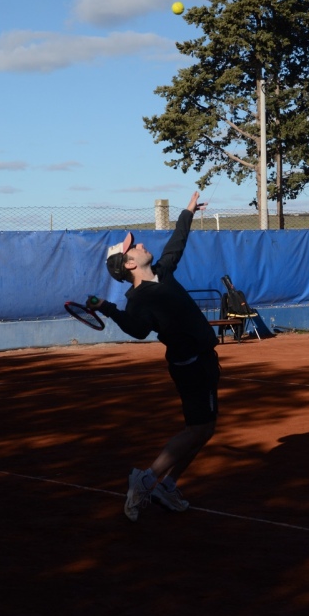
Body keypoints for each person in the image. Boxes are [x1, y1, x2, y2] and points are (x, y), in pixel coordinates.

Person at [91, 191, 220, 522]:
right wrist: (108, 308)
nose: (139, 244)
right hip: (189, 365)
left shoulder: (164, 271)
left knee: (205, 429)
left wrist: (188, 211)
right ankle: (147, 480)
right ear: (130, 264)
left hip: (205, 359)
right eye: (133, 247)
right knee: (197, 429)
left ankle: (168, 484)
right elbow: (137, 330)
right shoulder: (137, 300)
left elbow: (178, 241)